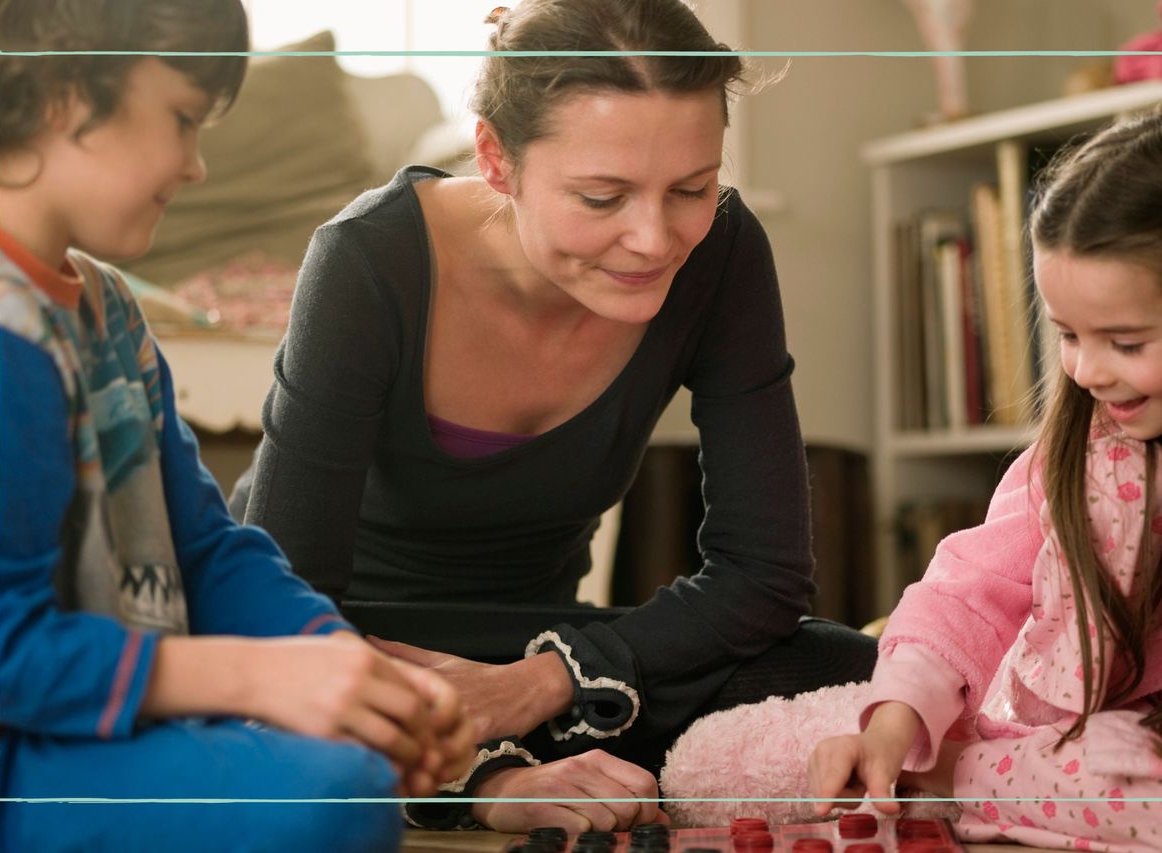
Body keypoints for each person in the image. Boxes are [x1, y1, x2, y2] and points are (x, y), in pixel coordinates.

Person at [233, 0, 879, 832]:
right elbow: (285, 606)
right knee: (251, 689)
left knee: (847, 665)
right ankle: (476, 775)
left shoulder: (722, 251)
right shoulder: (368, 258)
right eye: (602, 196)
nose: (653, 239)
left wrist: (535, 682)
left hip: (554, 663)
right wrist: (485, 771)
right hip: (350, 650)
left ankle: (556, 756)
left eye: (691, 187)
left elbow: (766, 576)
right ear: (497, 160)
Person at [0, 2, 474, 851]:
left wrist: (347, 669)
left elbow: (202, 548)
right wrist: (252, 674)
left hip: (83, 726)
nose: (196, 165)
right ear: (59, 93)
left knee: (350, 764)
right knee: (329, 794)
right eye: (182, 119)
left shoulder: (106, 307)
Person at [805, 99, 1162, 851]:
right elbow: (968, 592)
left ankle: (956, 778)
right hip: (1101, 751)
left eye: (1126, 341)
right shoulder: (1072, 455)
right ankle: (950, 771)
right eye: (1068, 335)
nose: (1088, 370)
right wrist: (898, 716)